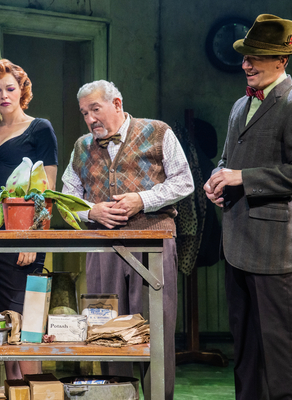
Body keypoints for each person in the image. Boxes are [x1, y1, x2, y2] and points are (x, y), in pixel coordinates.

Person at [203, 14, 292, 400]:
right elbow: (227, 159)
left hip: (274, 249)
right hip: (237, 243)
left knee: (280, 348)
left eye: (256, 56)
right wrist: (217, 178)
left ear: (282, 61)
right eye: (245, 56)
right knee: (245, 346)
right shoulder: (241, 105)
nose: (246, 64)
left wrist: (244, 178)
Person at [62, 80, 194, 399]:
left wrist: (142, 200)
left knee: (155, 329)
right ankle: (117, 395)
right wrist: (92, 212)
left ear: (117, 104)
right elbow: (66, 196)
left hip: (152, 243)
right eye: (84, 113)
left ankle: (158, 396)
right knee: (105, 328)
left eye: (96, 109)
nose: (91, 118)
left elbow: (184, 182)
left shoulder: (158, 131)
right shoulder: (82, 146)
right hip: (102, 248)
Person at [0, 59, 58, 378]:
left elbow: (47, 189)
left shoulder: (40, 128)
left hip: (24, 235)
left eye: (10, 88)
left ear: (22, 90)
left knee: (28, 327)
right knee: (7, 324)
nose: (3, 95)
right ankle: (16, 392)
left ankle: (37, 391)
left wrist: (32, 238)